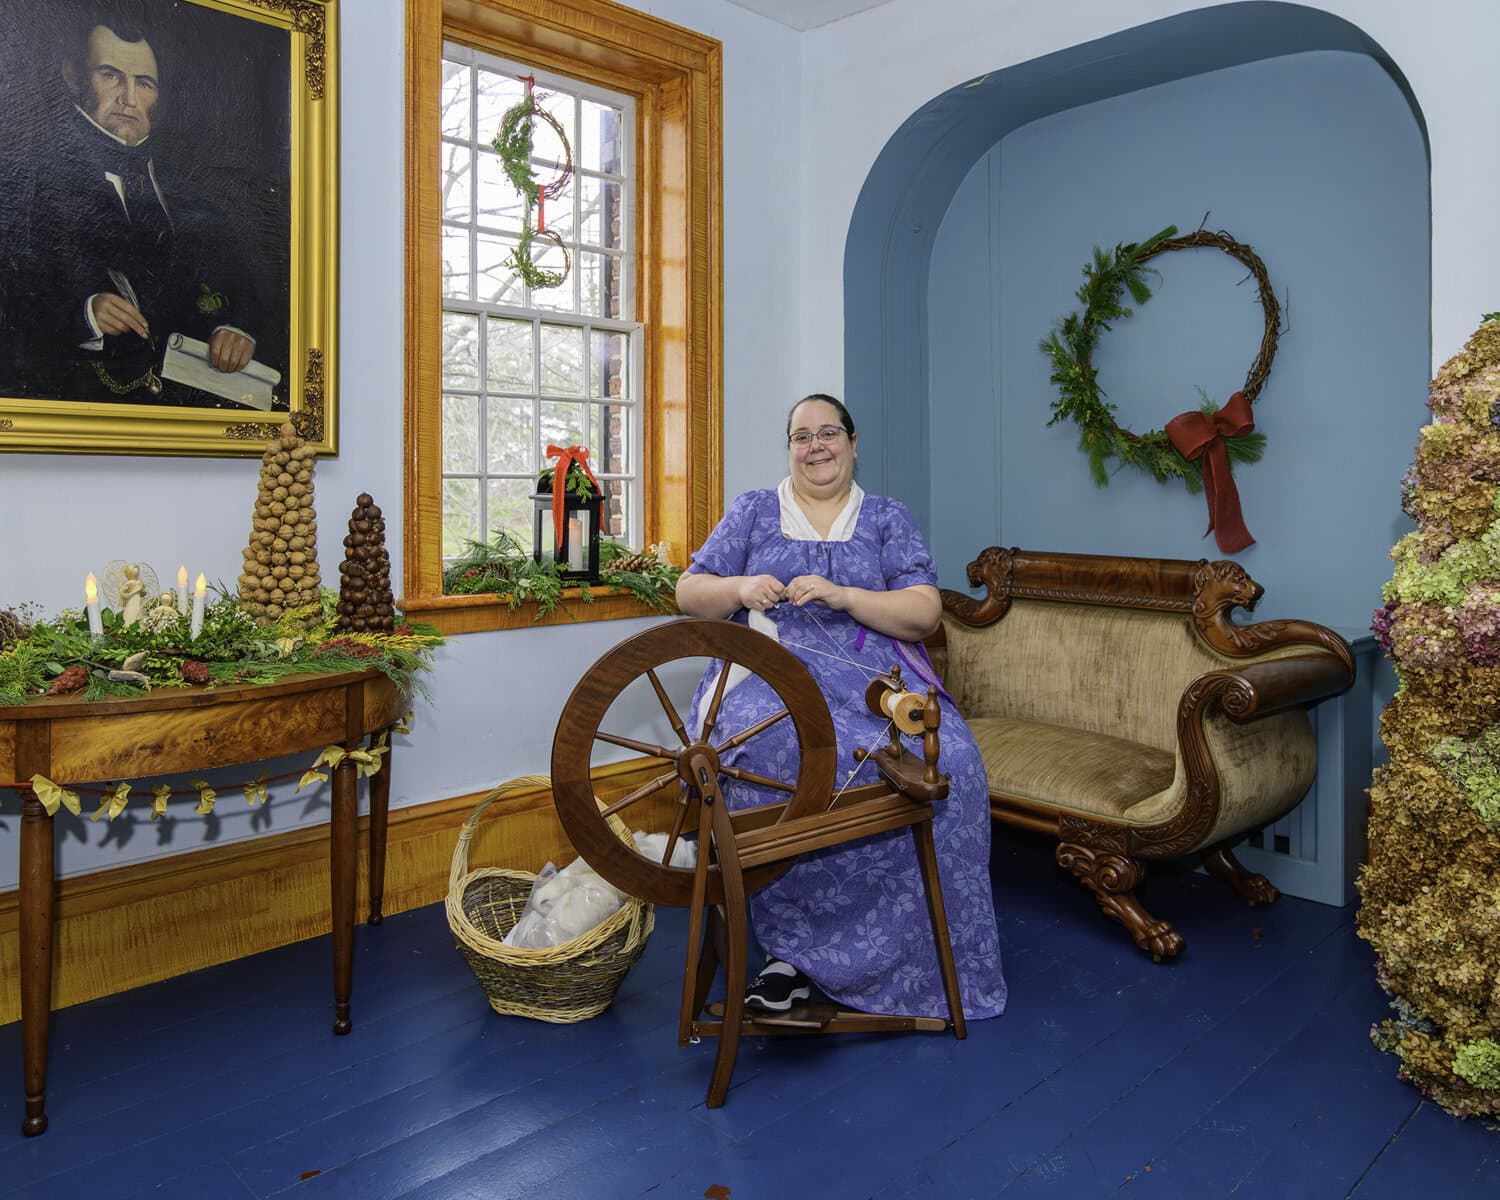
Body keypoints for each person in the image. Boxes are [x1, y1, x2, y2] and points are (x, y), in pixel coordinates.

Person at [675, 394, 1007, 1020]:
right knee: (755, 763)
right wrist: (741, 588)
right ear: (790, 450)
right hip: (767, 684)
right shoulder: (753, 511)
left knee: (953, 763)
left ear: (854, 444)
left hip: (873, 684)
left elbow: (925, 611)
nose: (816, 446)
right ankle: (787, 954)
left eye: (829, 433)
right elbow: (688, 592)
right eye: (802, 436)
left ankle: (927, 960)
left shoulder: (885, 517)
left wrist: (847, 595)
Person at [10, 6, 258, 403]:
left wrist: (235, 328)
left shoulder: (184, 180)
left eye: (143, 83)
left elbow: (237, 279)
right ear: (74, 77)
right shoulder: (31, 176)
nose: (128, 98)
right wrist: (86, 314)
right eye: (110, 75)